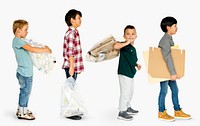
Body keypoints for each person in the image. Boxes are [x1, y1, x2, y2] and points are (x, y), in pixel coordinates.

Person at [12, 19, 52, 120]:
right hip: (25, 73)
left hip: (24, 72)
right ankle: (22, 112)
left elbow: (33, 45)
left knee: (24, 91)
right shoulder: (18, 41)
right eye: (25, 29)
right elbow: (32, 49)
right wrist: (46, 50)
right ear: (18, 30)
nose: (27, 32)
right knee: (26, 92)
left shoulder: (19, 41)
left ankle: (21, 108)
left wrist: (43, 46)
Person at [157, 16, 191, 121]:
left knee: (175, 90)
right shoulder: (165, 40)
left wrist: (175, 72)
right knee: (164, 91)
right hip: (165, 71)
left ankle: (177, 110)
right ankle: (161, 112)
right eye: (175, 26)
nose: (177, 28)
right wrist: (173, 73)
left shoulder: (169, 39)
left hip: (169, 71)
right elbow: (167, 57)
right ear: (168, 27)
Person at [114, 25, 141, 121]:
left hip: (130, 73)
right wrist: (126, 42)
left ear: (136, 36)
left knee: (130, 92)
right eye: (128, 34)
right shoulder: (124, 45)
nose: (130, 36)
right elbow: (115, 46)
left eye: (133, 34)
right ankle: (122, 112)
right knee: (125, 92)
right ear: (124, 36)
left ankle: (127, 107)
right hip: (124, 73)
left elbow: (132, 60)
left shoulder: (133, 48)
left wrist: (136, 64)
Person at [62, 9, 84, 120]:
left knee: (72, 88)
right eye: (78, 18)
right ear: (72, 20)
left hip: (74, 66)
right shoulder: (71, 34)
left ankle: (73, 108)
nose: (81, 20)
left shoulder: (75, 32)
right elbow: (70, 52)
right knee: (70, 89)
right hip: (71, 66)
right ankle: (69, 112)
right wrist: (72, 67)